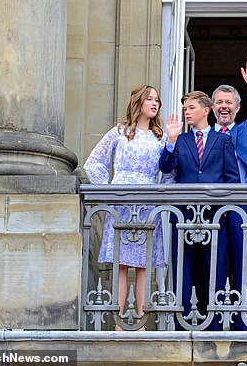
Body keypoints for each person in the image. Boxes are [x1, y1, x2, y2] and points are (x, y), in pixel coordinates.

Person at [84, 85, 174, 331]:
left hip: (147, 201)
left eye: (157, 100)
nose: (155, 103)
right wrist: (108, 190)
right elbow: (93, 163)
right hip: (121, 199)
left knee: (143, 265)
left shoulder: (160, 137)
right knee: (121, 264)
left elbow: (169, 173)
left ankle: (142, 322)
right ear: (138, 102)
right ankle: (120, 320)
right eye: (150, 99)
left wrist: (162, 193)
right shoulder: (119, 132)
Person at [159, 90, 240, 329]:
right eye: (185, 109)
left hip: (214, 216)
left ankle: (214, 325)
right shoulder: (181, 140)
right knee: (184, 270)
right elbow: (165, 168)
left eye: (191, 108)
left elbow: (232, 178)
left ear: (206, 110)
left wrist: (225, 209)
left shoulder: (222, 140)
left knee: (215, 270)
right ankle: (182, 324)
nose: (187, 112)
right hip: (183, 215)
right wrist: (171, 142)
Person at [211, 57, 247, 330]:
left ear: (237, 107)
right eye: (219, 102)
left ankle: (243, 321)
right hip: (209, 207)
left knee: (244, 262)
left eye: (229, 102)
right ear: (212, 107)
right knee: (215, 263)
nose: (224, 106)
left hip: (241, 203)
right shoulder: (203, 134)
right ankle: (213, 318)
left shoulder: (246, 130)